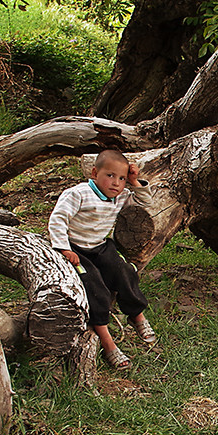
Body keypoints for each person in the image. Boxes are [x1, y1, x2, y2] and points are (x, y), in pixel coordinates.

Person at [47, 149, 156, 369]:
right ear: (95, 172)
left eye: (122, 178)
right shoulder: (78, 193)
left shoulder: (121, 195)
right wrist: (63, 248)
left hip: (100, 246)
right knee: (94, 285)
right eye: (110, 176)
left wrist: (134, 181)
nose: (116, 183)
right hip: (76, 248)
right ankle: (108, 342)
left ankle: (137, 315)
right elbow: (58, 220)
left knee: (124, 271)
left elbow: (146, 204)